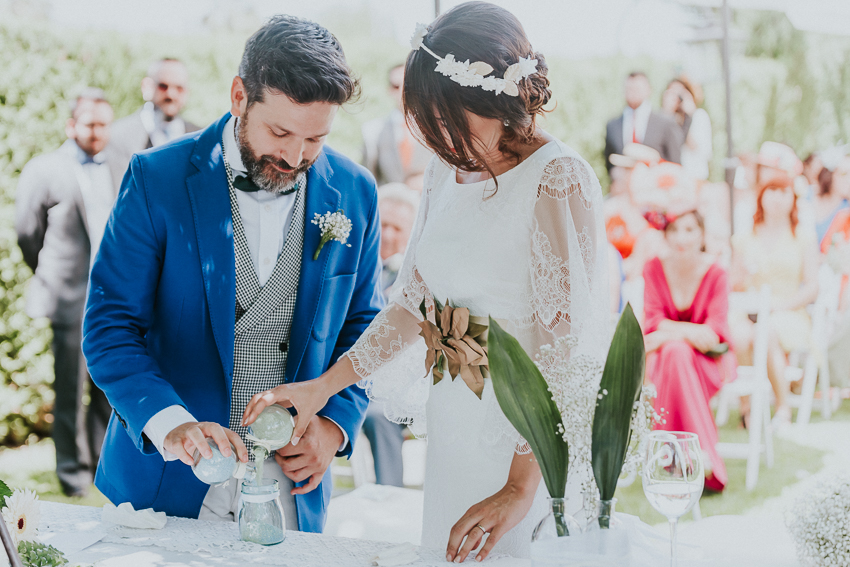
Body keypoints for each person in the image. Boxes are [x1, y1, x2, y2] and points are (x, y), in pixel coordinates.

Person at [243, 3, 608, 561]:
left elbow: (567, 354)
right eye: (430, 122)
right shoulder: (447, 167)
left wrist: (520, 485)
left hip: (524, 437)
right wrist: (322, 388)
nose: (440, 137)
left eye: (452, 120)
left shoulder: (557, 178)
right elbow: (411, 304)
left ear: (500, 99)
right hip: (455, 418)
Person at [82, 16, 379, 533]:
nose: (295, 156)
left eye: (315, 139)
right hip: (164, 486)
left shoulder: (356, 190)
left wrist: (334, 425)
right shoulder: (157, 178)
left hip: (292, 491)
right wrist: (173, 426)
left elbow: (366, 325)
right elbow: (110, 327)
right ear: (240, 95)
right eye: (280, 132)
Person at [15, 88, 123, 497]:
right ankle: (72, 476)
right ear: (71, 124)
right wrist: (51, 277)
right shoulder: (44, 168)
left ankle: (99, 464)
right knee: (69, 390)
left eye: (104, 124)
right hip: (68, 297)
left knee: (107, 386)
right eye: (90, 123)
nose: (98, 132)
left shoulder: (121, 163)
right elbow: (28, 232)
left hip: (112, 295)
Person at [643, 210, 731, 492]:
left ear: (702, 234)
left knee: (675, 352)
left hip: (707, 364)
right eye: (675, 230)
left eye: (690, 230)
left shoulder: (716, 273)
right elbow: (652, 319)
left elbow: (713, 333)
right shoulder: (653, 268)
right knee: (675, 353)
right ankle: (701, 458)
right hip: (661, 364)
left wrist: (670, 335)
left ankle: (670, 459)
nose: (682, 238)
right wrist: (691, 332)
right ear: (665, 234)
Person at [730, 175, 819, 426]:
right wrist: (743, 275)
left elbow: (812, 287)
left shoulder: (802, 237)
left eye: (783, 192)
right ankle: (747, 408)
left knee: (765, 333)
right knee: (738, 335)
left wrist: (782, 305)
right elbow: (732, 282)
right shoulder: (745, 237)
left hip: (788, 310)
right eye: (772, 191)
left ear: (793, 198)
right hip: (749, 308)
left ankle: (782, 407)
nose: (777, 198)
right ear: (762, 196)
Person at [360, 182, 420, 487]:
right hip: (354, 377)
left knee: (378, 416)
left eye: (398, 228)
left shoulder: (415, 275)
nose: (389, 234)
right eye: (383, 225)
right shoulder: (358, 265)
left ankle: (390, 495)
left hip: (399, 384)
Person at [109, 58, 201, 171]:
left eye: (179, 88)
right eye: (163, 86)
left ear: (187, 92)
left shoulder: (199, 138)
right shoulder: (119, 135)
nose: (171, 95)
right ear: (146, 86)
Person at [361, 64, 432, 187]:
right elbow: (368, 180)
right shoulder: (372, 131)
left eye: (408, 84)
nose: (403, 91)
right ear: (389, 90)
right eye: (396, 86)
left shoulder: (439, 128)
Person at [604, 71, 683, 175]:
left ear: (648, 89)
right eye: (629, 89)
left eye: (637, 89)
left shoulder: (666, 123)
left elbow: (676, 164)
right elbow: (609, 161)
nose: (632, 92)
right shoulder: (612, 126)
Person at [662, 76, 712, 181]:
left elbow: (698, 149)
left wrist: (688, 118)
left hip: (694, 177)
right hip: (671, 178)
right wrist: (667, 113)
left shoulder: (699, 116)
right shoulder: (666, 119)